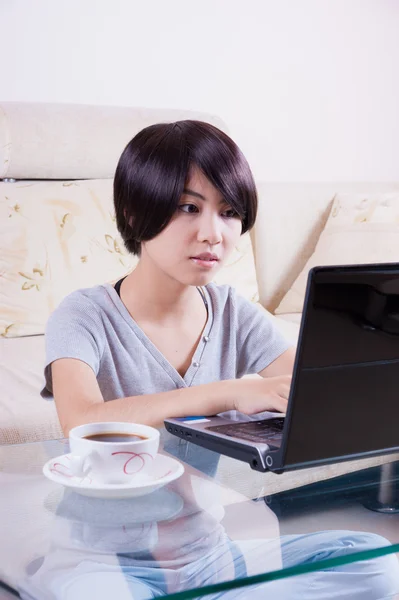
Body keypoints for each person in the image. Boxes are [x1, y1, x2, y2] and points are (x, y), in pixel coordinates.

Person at [41, 120, 399, 598]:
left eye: (230, 212)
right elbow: (79, 420)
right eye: (189, 207)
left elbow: (313, 388)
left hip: (208, 556)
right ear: (133, 212)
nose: (214, 233)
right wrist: (231, 393)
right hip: (102, 566)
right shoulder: (83, 314)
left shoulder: (233, 312)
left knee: (376, 569)